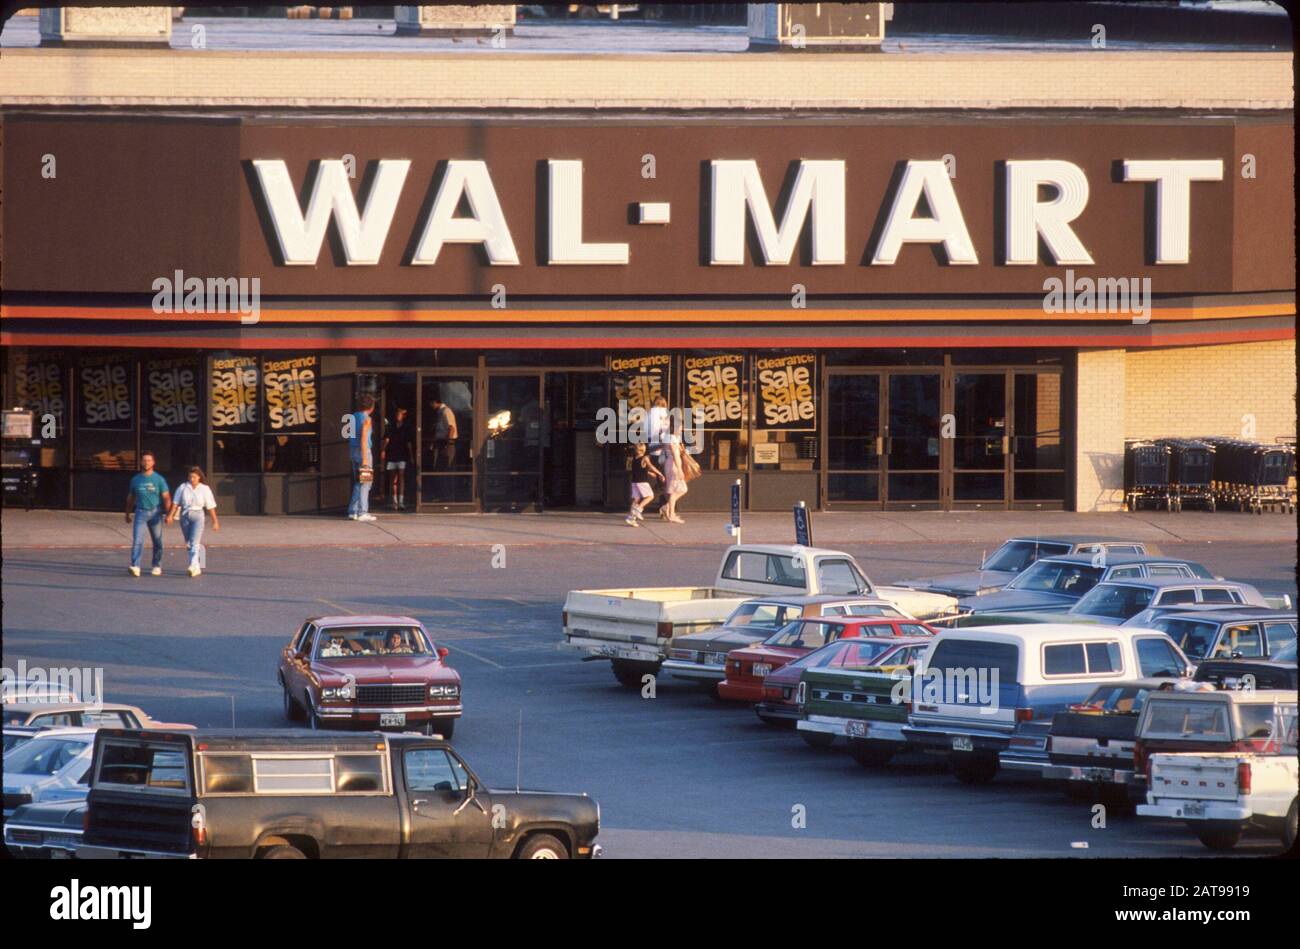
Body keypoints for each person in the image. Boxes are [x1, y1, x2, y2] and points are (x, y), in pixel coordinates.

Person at [167, 466, 220, 578]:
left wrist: (215, 521)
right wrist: (170, 515)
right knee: (189, 543)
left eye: (194, 477)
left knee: (194, 542)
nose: (192, 479)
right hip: (185, 515)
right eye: (190, 477)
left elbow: (210, 506)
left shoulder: (205, 489)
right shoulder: (183, 487)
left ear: (199, 477)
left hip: (198, 515)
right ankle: (198, 565)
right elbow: (176, 502)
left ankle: (193, 565)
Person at [124, 451, 171, 577]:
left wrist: (169, 513)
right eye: (144, 460)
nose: (146, 462)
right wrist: (127, 513)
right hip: (140, 512)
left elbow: (166, 497)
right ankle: (135, 565)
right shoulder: (136, 480)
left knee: (157, 541)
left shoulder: (159, 479)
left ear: (153, 462)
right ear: (141, 462)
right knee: (138, 540)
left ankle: (157, 565)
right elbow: (131, 497)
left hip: (156, 512)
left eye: (149, 460)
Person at [348, 394, 377, 522]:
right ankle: (362, 511)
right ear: (371, 407)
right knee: (366, 482)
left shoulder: (352, 417)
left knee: (358, 482)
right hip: (363, 452)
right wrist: (365, 459)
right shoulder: (367, 419)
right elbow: (364, 438)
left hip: (353, 450)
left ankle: (353, 511)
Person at [382, 406, 415, 511]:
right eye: (397, 414)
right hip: (392, 454)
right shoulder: (391, 427)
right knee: (393, 478)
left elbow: (409, 443)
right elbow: (386, 439)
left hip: (402, 454)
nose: (398, 416)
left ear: (403, 416)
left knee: (401, 476)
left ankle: (401, 501)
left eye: (400, 414)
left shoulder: (406, 427)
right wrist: (383, 450)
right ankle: (394, 501)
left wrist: (411, 456)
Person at [625, 442, 663, 527]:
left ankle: (631, 518)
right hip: (642, 482)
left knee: (636, 499)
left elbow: (639, 469)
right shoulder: (645, 458)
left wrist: (649, 473)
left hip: (634, 482)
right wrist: (659, 473)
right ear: (643, 449)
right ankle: (638, 510)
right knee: (650, 496)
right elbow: (651, 466)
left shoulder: (634, 458)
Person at [661, 434, 688, 524]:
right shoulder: (672, 440)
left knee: (679, 489)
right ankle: (671, 514)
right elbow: (675, 454)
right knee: (677, 490)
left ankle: (667, 507)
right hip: (674, 466)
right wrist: (680, 469)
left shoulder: (670, 439)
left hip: (670, 464)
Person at [429, 392, 458, 471]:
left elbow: (451, 428)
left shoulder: (446, 411)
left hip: (446, 443)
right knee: (440, 466)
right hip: (441, 442)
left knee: (446, 466)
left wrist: (448, 444)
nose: (431, 406)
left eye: (431, 404)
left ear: (434, 402)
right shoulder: (440, 412)